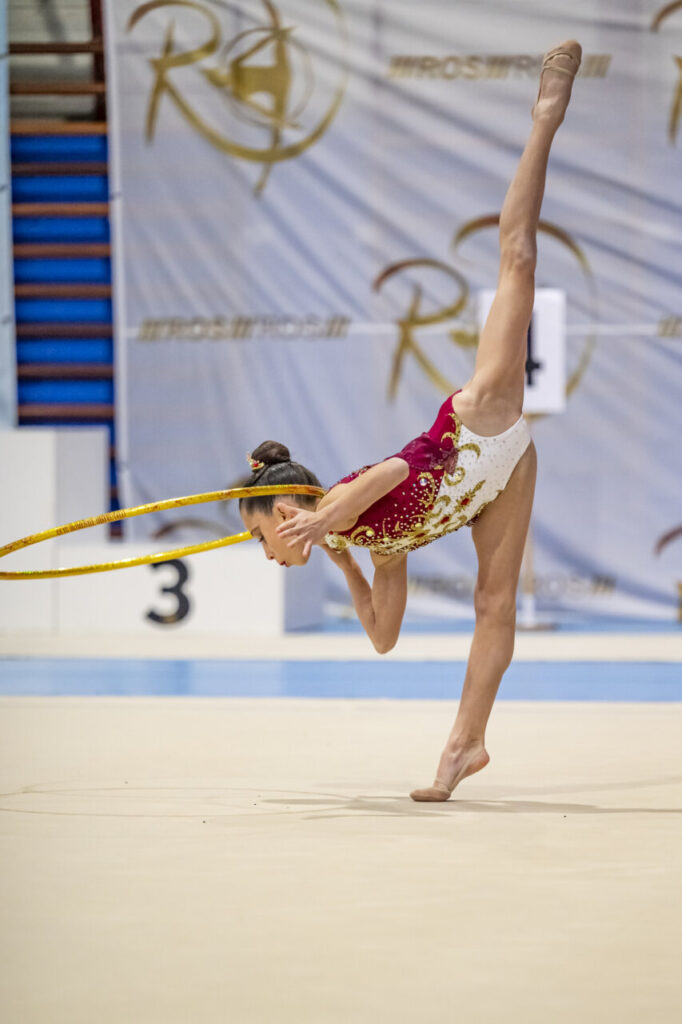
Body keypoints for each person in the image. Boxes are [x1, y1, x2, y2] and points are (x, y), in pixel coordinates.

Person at [239, 41, 582, 802]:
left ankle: (545, 118)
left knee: (518, 260)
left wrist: (327, 521)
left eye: (261, 537)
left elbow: (395, 471)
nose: (266, 554)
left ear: (285, 510)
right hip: (501, 480)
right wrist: (342, 557)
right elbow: (383, 636)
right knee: (493, 604)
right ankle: (466, 744)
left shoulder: (346, 501)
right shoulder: (356, 539)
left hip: (472, 430)